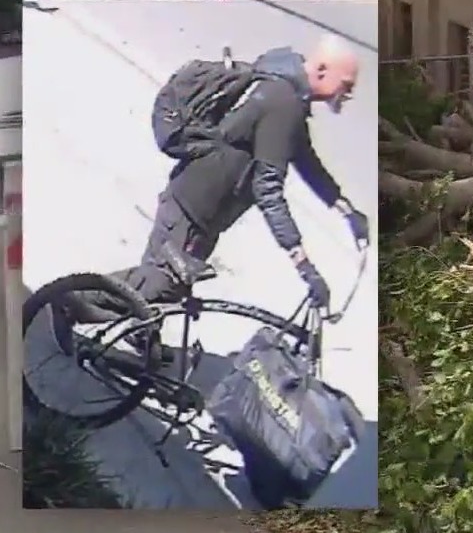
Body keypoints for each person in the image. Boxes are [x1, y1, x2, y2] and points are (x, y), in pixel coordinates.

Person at [51, 34, 368, 352]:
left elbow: (306, 160)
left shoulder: (285, 94)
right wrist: (303, 264)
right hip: (194, 209)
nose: (349, 93)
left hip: (195, 203)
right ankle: (73, 299)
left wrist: (345, 209)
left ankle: (140, 331)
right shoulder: (283, 102)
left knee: (164, 280)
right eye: (347, 83)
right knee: (162, 283)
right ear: (323, 70)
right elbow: (267, 188)